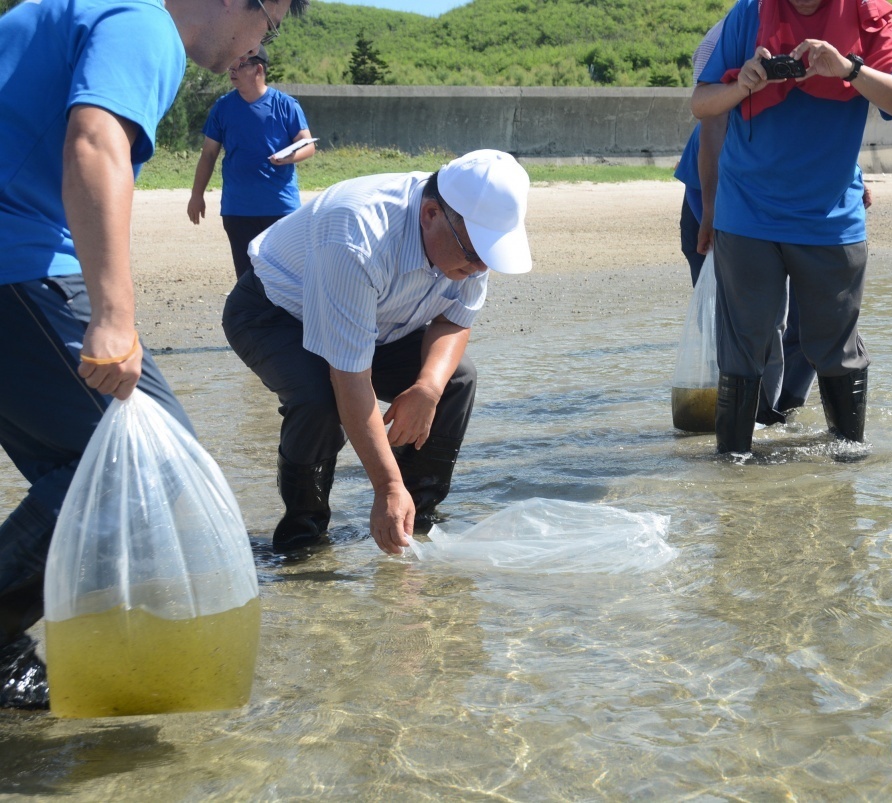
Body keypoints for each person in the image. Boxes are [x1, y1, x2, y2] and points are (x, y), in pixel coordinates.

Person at [0, 0, 308, 710]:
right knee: (155, 465)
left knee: (84, 471)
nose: (262, 43)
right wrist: (113, 315)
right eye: (272, 23)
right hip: (18, 263)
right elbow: (94, 143)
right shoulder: (145, 23)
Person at [222, 149, 532, 556]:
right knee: (319, 400)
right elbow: (349, 378)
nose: (478, 269)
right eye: (474, 255)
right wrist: (385, 485)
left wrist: (427, 390)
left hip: (381, 319)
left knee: (455, 380)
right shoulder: (358, 235)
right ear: (431, 214)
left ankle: (413, 521)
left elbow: (454, 320)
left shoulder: (467, 240)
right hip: (274, 313)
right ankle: (303, 537)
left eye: (489, 259)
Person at [691, 0, 892, 453]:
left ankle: (844, 477)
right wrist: (743, 85)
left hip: (830, 220)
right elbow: (702, 104)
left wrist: (848, 69)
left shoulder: (865, 15)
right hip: (747, 215)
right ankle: (732, 470)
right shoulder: (749, 14)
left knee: (836, 352)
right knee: (743, 352)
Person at [676, 18, 817, 427]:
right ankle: (755, 414)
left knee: (803, 311)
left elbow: (818, 117)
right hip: (723, 187)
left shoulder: (821, 23)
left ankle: (775, 412)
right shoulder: (730, 31)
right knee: (744, 317)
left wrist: (850, 173)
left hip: (785, 186)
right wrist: (714, 211)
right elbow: (712, 121)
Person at [188, 45, 316, 279]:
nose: (232, 70)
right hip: (238, 210)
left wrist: (290, 157)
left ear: (258, 69)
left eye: (240, 65)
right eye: (231, 65)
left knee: (283, 279)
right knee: (247, 280)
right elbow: (208, 155)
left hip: (280, 209)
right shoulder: (223, 107)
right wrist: (197, 195)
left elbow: (308, 145)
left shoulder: (286, 105)